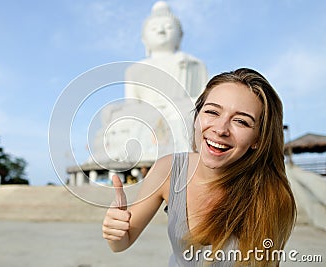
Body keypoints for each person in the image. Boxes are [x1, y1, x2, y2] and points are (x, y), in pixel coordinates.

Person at [102, 68, 297, 266]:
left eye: (241, 121)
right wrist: (115, 231)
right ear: (196, 117)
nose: (221, 129)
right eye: (212, 112)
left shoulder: (272, 195)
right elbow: (121, 243)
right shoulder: (169, 170)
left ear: (258, 138)